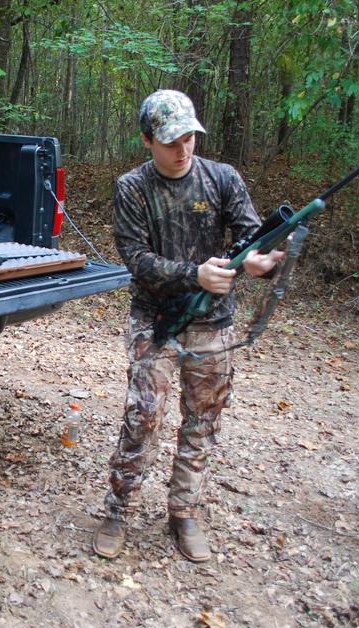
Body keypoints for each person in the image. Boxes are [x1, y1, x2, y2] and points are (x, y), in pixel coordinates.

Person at [92, 90, 284, 563]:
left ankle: (183, 512)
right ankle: (119, 510)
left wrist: (262, 263)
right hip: (155, 321)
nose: (183, 149)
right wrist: (195, 273)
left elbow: (253, 239)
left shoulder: (222, 179)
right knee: (143, 418)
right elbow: (137, 260)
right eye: (172, 140)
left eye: (190, 137)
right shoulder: (132, 188)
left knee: (203, 421)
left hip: (213, 324)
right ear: (147, 141)